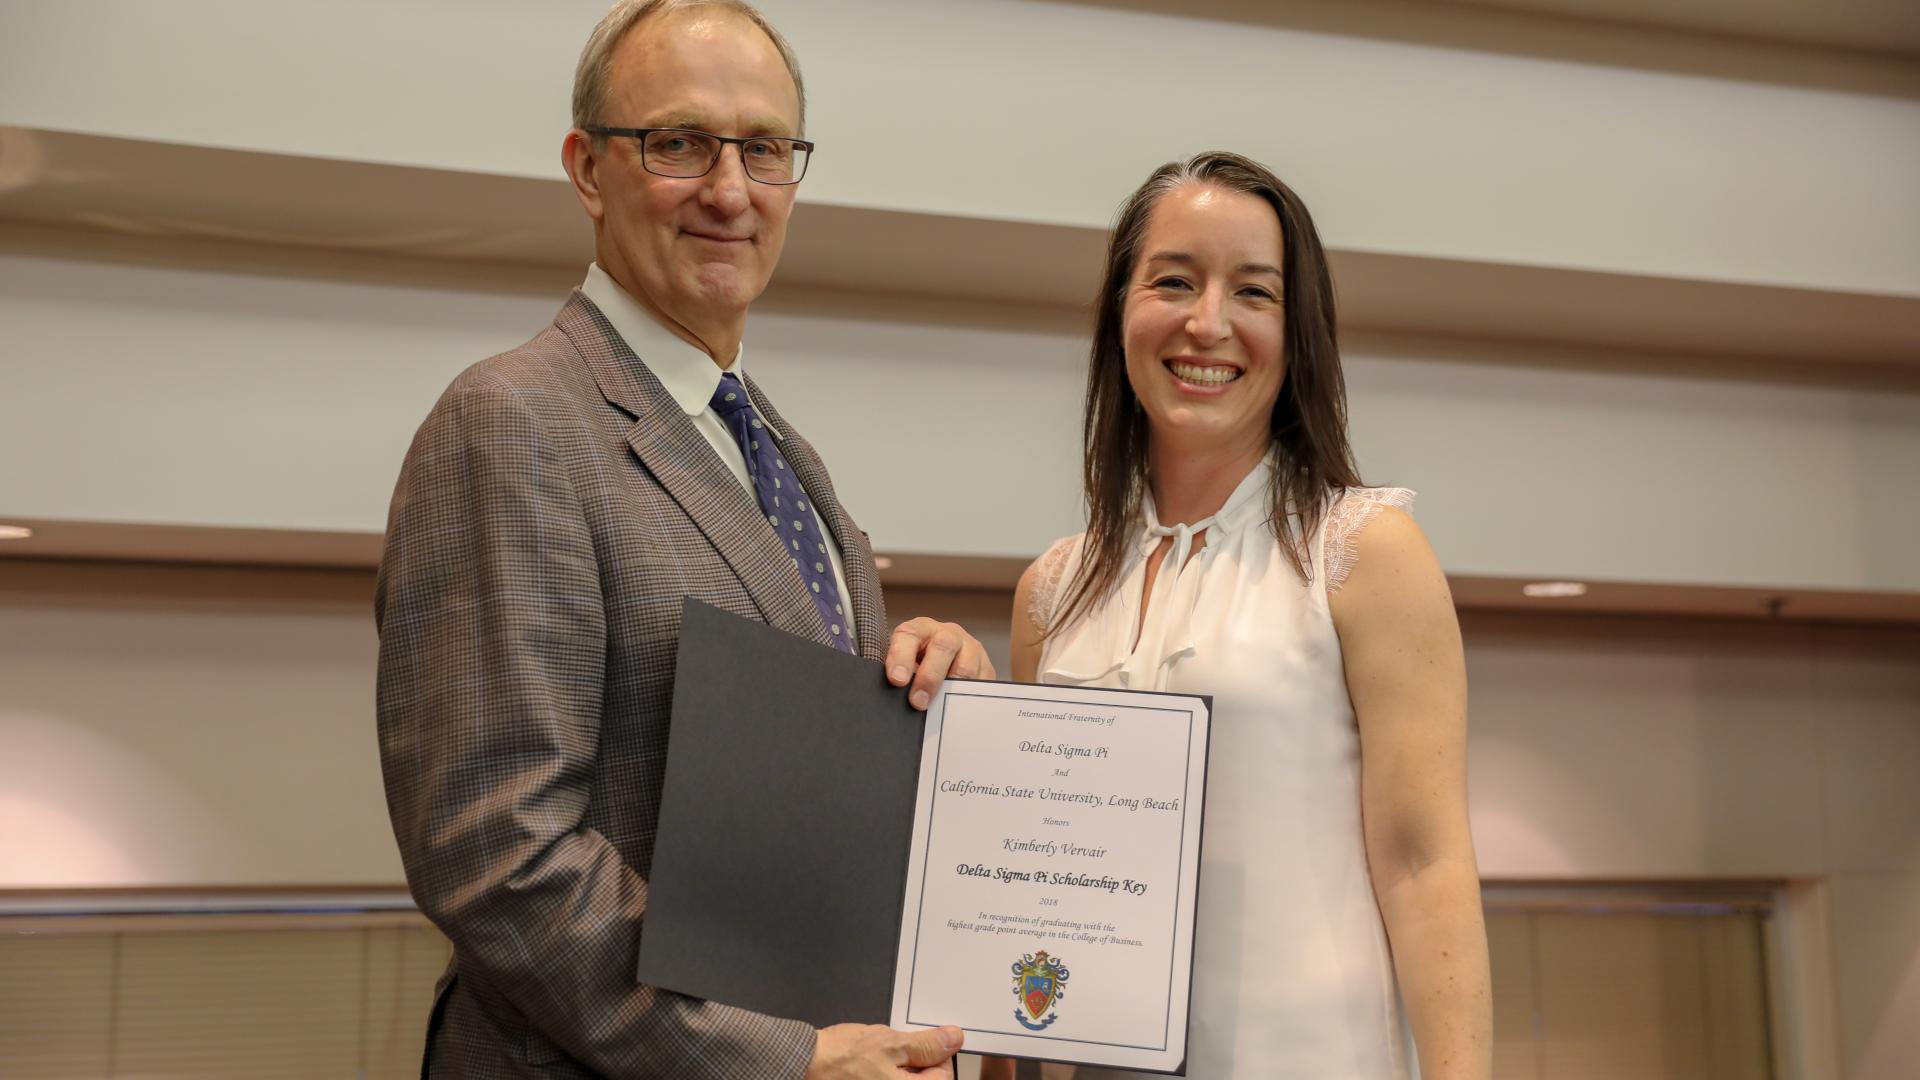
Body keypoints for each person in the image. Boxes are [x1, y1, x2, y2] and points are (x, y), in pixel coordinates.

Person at [375, 2, 991, 1076]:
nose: (728, 189)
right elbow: (497, 854)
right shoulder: (514, 420)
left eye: (762, 148)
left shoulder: (789, 461)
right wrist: (781, 1059)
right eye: (680, 143)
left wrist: (936, 706)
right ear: (587, 168)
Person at [999, 153, 1491, 1079]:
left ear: (1297, 333)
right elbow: (1037, 894)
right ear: (1121, 314)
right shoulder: (1052, 591)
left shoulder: (1365, 550)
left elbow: (1426, 866)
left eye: (1253, 292)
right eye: (1174, 281)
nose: (1208, 322)